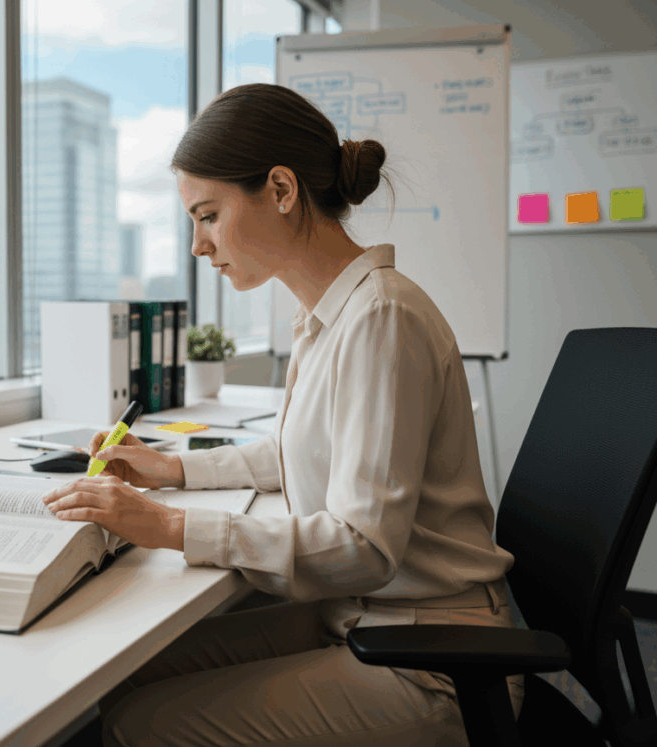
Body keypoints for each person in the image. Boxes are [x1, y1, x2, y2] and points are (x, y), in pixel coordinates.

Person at [41, 82, 523, 747]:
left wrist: (171, 526)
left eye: (208, 215)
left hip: (432, 655)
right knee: (123, 675)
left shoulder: (380, 317)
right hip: (365, 616)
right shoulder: (331, 314)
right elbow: (300, 447)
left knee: (139, 724)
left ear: (281, 190)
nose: (197, 246)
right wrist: (172, 468)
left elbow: (364, 546)